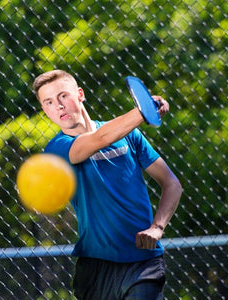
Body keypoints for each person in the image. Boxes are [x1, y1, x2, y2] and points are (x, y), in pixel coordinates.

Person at [33, 70, 182, 299]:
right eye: (49, 102)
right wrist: (144, 109)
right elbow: (100, 139)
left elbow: (172, 184)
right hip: (94, 268)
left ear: (80, 94)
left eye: (63, 96)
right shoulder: (57, 149)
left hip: (144, 261)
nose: (59, 106)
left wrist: (157, 227)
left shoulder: (130, 136)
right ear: (45, 110)